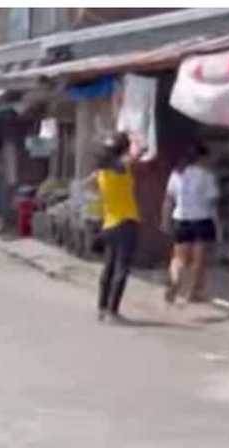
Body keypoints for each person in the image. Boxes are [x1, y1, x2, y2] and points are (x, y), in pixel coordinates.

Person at [87, 133, 141, 323]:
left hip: (109, 224)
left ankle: (102, 308)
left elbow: (89, 186)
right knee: (121, 268)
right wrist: (136, 138)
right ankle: (113, 310)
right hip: (126, 222)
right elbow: (137, 154)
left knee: (108, 268)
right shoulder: (123, 167)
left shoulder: (100, 173)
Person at [163, 142, 220, 305]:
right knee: (198, 260)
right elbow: (213, 200)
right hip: (202, 220)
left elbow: (168, 200)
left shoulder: (176, 173)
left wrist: (165, 220)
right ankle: (193, 293)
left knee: (179, 258)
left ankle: (175, 281)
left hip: (181, 219)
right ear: (202, 158)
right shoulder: (207, 176)